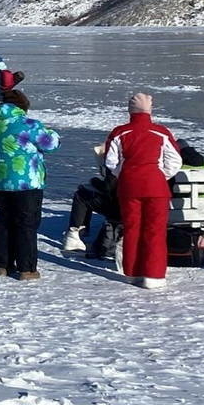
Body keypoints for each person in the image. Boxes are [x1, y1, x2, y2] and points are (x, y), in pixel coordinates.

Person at [104, 93, 183, 289]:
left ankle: (132, 273)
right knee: (155, 230)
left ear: (130, 110)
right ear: (149, 110)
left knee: (132, 228)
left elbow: (110, 162)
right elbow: (175, 161)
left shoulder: (119, 132)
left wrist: (125, 174)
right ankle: (153, 275)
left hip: (129, 187)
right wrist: (159, 175)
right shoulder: (161, 132)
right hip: (155, 186)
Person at [0, 89, 60, 280]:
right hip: (26, 182)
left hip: (1, 182)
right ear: (23, 107)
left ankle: (3, 264)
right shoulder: (28, 124)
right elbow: (50, 143)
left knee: (4, 221)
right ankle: (26, 269)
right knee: (26, 224)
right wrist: (52, 131)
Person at [61, 145, 120, 257]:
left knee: (82, 194)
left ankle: (75, 232)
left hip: (120, 207)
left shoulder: (117, 162)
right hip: (144, 206)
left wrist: (95, 182)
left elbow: (110, 188)